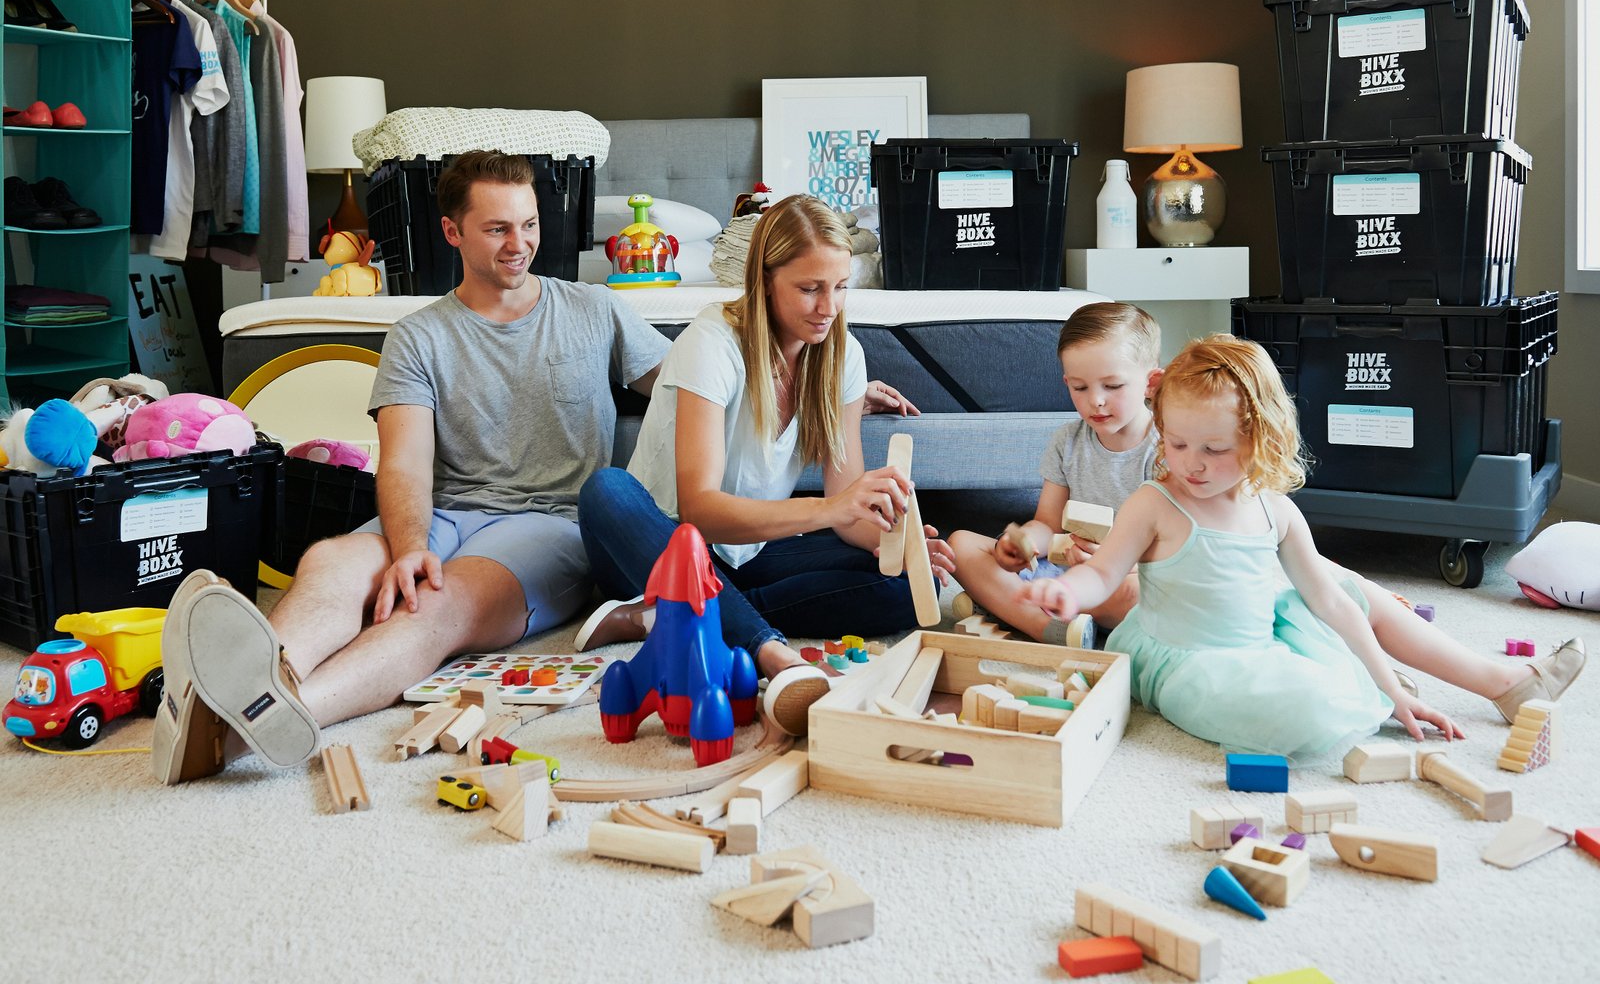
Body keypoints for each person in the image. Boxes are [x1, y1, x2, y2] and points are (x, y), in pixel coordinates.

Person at [151, 150, 671, 783]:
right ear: (452, 231)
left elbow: (687, 394)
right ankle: (258, 681)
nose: (520, 244)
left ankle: (246, 730)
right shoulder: (419, 336)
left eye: (529, 224)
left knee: (432, 607)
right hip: (442, 512)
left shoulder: (595, 309)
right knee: (331, 562)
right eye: (497, 229)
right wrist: (409, 548)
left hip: (546, 525)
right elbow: (404, 461)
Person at [1019, 333, 1586, 763]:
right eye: (1177, 442)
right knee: (1312, 705)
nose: (1192, 463)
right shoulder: (1155, 503)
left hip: (1259, 641)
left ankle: (1437, 685)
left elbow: (1333, 604)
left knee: (1344, 596)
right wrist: (1068, 590)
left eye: (1215, 449)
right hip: (1191, 661)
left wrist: (1390, 690)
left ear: (1259, 439)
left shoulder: (1276, 510)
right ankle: (1371, 688)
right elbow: (1104, 573)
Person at [574, 194, 952, 736]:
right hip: (657, 550)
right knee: (606, 490)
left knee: (912, 589)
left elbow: (850, 508)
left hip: (747, 551)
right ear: (766, 279)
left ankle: (669, 619)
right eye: (810, 288)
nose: (828, 307)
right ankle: (769, 651)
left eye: (841, 287)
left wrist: (899, 543)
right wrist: (830, 509)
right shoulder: (712, 343)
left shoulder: (842, 354)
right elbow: (700, 512)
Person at [948, 302, 1161, 645]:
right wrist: (1024, 545)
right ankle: (1046, 625)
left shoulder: (1166, 449)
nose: (1096, 401)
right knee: (960, 545)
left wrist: (1112, 562)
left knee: (1139, 594)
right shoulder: (1068, 441)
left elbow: (1171, 550)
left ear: (1150, 383)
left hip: (1123, 577)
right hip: (1062, 572)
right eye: (1080, 387)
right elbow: (1048, 523)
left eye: (1112, 386)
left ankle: (1008, 606)